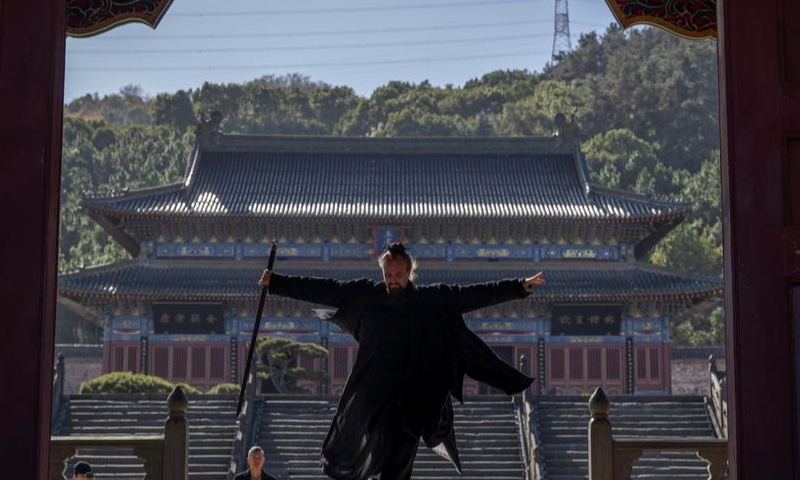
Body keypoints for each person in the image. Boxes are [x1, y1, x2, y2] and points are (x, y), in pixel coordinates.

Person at [259, 242, 545, 480]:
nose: (393, 280)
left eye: (399, 274)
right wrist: (276, 283)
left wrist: (518, 287)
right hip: (373, 396)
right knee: (360, 453)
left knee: (400, 465)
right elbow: (321, 288)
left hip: (412, 399)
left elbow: (472, 295)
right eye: (388, 274)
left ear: (410, 271)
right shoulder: (368, 295)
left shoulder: (428, 300)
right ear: (382, 272)